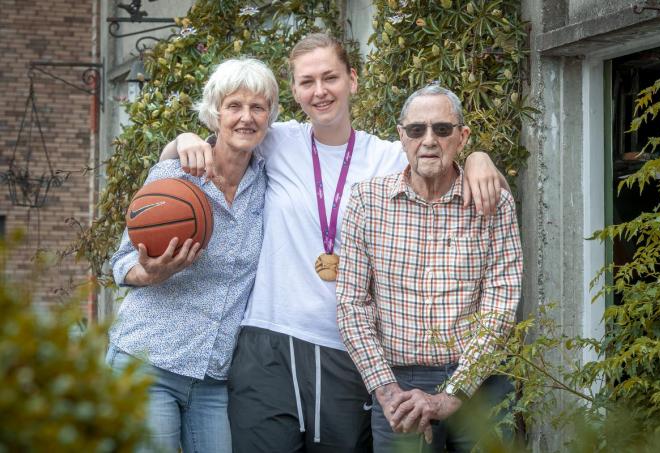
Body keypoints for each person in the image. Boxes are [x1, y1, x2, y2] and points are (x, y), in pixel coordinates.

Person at [160, 34, 507, 452]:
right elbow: (192, 156)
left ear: (353, 80)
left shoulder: (388, 154)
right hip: (267, 340)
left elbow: (447, 161)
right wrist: (183, 139)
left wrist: (478, 160)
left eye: (330, 78)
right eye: (307, 81)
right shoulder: (275, 140)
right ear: (294, 91)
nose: (320, 91)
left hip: (345, 349)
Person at [336, 85, 523, 453]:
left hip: (481, 383)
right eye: (416, 130)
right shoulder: (366, 200)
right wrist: (388, 392)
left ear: (462, 136)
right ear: (401, 135)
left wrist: (451, 395)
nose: (428, 140)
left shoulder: (493, 203)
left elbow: (500, 307)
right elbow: (351, 306)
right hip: (397, 385)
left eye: (442, 129)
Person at [107, 57, 277, 453]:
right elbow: (119, 262)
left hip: (212, 377)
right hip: (148, 360)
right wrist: (148, 274)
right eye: (234, 106)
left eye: (258, 107)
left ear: (270, 116)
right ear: (215, 112)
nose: (246, 117)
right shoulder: (174, 178)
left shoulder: (271, 181)